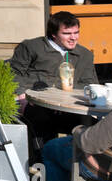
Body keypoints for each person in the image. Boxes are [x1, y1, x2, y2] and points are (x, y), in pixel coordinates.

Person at [10, 11, 98, 151]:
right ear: (54, 34)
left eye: (76, 33)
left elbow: (89, 84)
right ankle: (41, 164)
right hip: (34, 103)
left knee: (93, 125)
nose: (73, 38)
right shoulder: (32, 47)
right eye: (67, 34)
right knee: (40, 120)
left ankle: (82, 166)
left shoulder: (84, 54)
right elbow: (13, 72)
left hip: (66, 107)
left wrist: (66, 99)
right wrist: (21, 94)